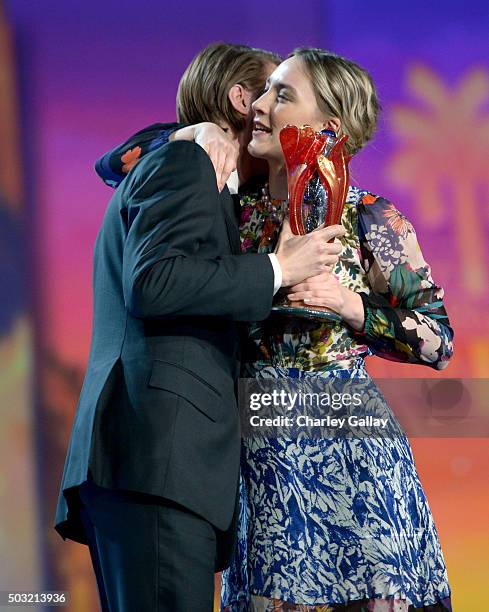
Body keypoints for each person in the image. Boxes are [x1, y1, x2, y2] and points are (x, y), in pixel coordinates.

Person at [96, 48, 454, 611]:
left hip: (348, 445)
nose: (257, 106)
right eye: (264, 91)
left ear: (326, 126)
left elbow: (439, 341)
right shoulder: (234, 203)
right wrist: (188, 133)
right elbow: (114, 166)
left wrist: (351, 305)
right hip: (262, 451)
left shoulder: (370, 217)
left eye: (280, 95)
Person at [53, 43, 345, 612]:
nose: (269, 108)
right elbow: (155, 282)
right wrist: (279, 269)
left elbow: (115, 163)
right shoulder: (190, 161)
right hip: (158, 456)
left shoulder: (203, 170)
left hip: (160, 466)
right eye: (268, 91)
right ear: (241, 99)